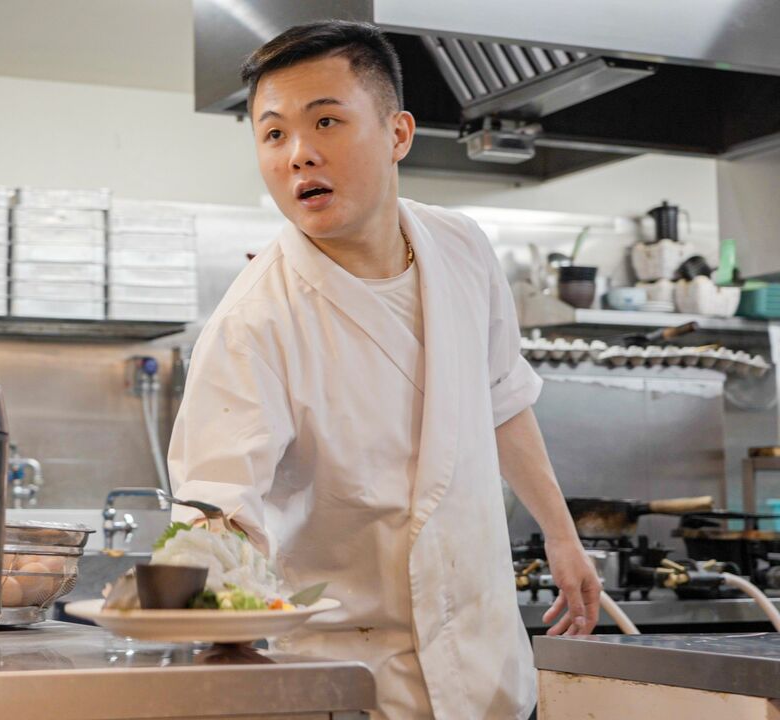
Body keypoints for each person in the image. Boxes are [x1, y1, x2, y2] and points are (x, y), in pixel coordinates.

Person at [168, 20, 601, 720]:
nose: (299, 154)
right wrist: (221, 623)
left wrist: (561, 534)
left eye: (327, 121)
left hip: (489, 668)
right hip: (350, 683)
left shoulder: (459, 246)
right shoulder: (255, 322)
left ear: (398, 134)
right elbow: (216, 511)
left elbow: (504, 399)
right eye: (273, 134)